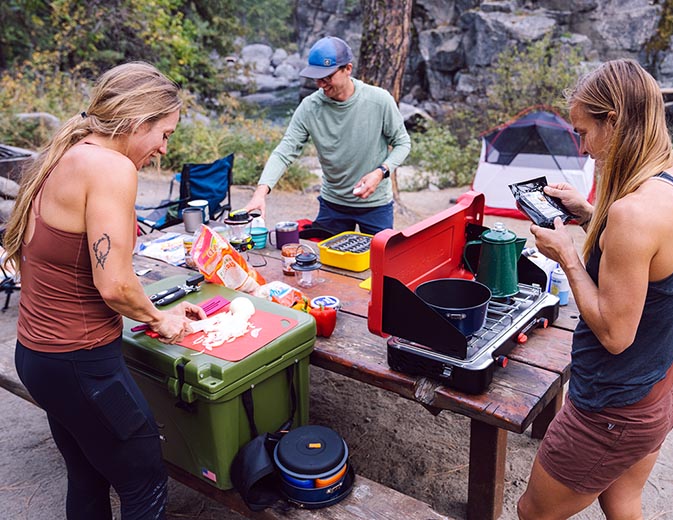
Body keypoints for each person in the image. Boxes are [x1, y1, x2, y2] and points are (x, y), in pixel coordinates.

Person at [3, 62, 207, 520]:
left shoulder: (66, 152)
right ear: (138, 121)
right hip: (81, 364)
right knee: (145, 481)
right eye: (165, 134)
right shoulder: (112, 167)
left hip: (37, 357)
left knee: (89, 474)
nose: (162, 148)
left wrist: (154, 304)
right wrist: (160, 319)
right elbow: (113, 284)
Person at [516, 59, 673, 519]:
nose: (583, 150)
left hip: (613, 408)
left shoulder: (632, 214)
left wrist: (565, 252)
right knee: (622, 499)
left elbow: (615, 333)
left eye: (584, 132)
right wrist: (587, 213)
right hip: (662, 385)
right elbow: (658, 265)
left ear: (615, 120)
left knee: (531, 512)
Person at [244, 36, 411, 236]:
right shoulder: (309, 107)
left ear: (347, 69)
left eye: (327, 77)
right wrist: (260, 194)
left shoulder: (379, 100)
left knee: (378, 265)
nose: (320, 84)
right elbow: (284, 152)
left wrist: (380, 172)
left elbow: (402, 143)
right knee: (325, 265)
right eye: (316, 78)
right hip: (333, 206)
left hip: (376, 205)